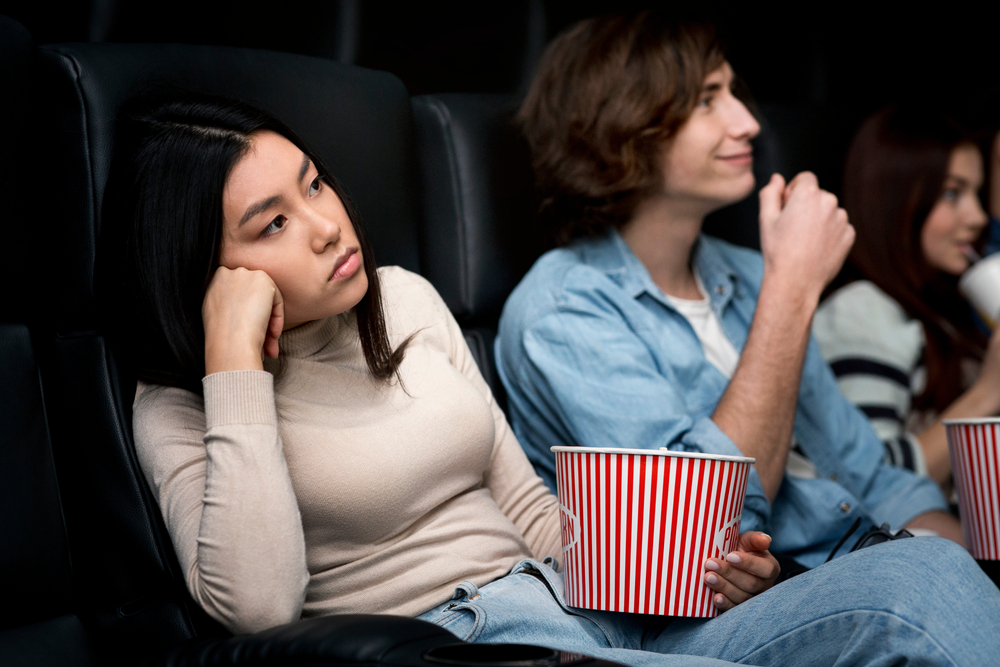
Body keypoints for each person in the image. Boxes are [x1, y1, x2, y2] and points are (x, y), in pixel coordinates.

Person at [96, 93, 1000, 667]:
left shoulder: (406, 301)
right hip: (473, 645)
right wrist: (232, 362)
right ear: (208, 269)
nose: (329, 225)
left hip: (588, 609)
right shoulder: (184, 405)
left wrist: (692, 571)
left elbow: (527, 508)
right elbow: (256, 610)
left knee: (930, 576)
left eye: (316, 184)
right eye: (273, 224)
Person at [495, 11, 964, 571]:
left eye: (734, 93)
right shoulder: (562, 309)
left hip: (866, 558)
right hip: (712, 613)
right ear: (624, 126)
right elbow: (697, 534)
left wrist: (949, 551)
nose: (747, 122)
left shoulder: (751, 272)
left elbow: (870, 475)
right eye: (706, 100)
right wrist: (792, 288)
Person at [814, 108, 1000, 488]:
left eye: (977, 194)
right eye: (952, 193)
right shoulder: (861, 311)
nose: (978, 216)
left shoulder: (944, 308)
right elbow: (869, 482)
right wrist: (987, 393)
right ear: (896, 199)